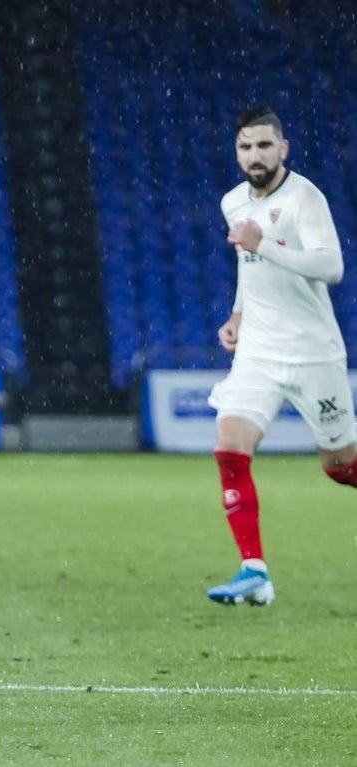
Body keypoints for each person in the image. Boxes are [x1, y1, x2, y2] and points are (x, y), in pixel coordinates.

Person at [206, 106, 354, 607]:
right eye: (246, 146)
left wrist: (265, 242)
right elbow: (252, 273)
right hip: (259, 352)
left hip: (313, 354)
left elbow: (331, 266)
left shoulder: (304, 197)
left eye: (264, 145)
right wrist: (238, 316)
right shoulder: (233, 202)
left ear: (283, 148)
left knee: (340, 468)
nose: (255, 154)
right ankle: (254, 570)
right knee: (230, 449)